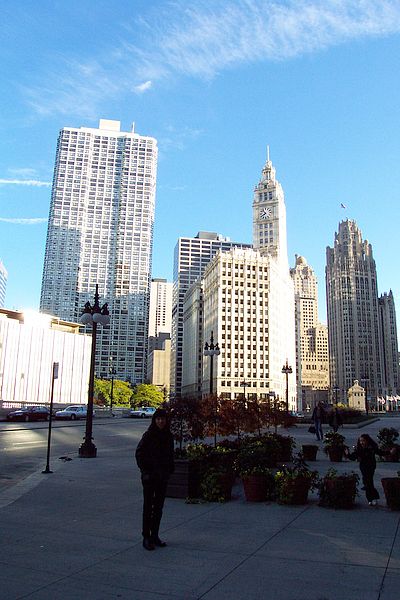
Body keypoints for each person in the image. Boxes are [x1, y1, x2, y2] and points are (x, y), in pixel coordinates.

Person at [135, 408, 174, 550]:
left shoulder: (168, 436)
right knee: (148, 507)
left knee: (158, 508)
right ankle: (146, 536)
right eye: (158, 419)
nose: (160, 421)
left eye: (163, 419)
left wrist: (169, 470)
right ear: (154, 420)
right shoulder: (149, 435)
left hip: (162, 477)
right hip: (149, 477)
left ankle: (155, 535)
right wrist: (145, 471)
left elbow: (170, 455)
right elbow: (139, 453)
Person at [344, 434, 386, 506]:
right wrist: (347, 454)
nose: (361, 442)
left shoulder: (372, 448)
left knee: (368, 481)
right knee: (368, 482)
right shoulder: (359, 449)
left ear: (367, 441)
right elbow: (353, 457)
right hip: (363, 467)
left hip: (371, 466)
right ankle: (372, 498)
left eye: (363, 440)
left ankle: (372, 498)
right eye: (360, 441)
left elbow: (380, 452)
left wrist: (390, 452)